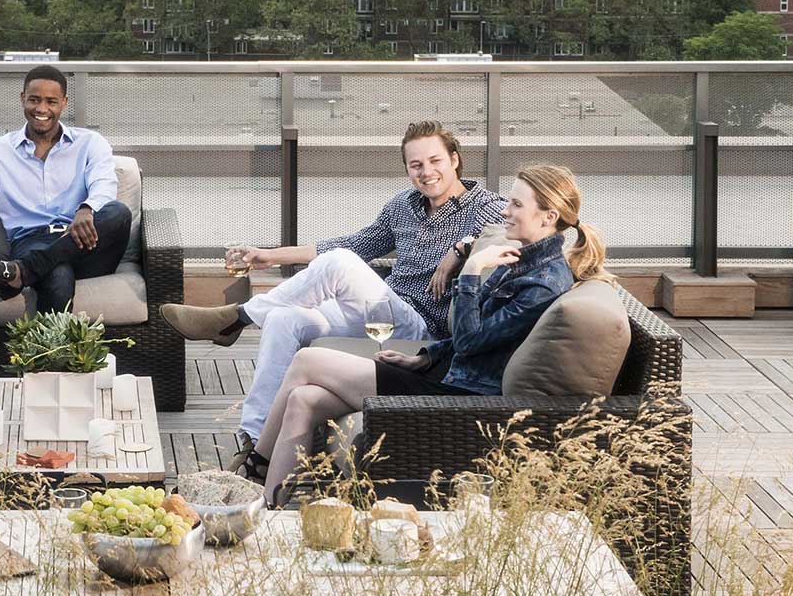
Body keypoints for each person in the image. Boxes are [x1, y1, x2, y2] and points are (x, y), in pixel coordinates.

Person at [250, 162, 609, 502]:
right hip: (442, 374)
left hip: (460, 396)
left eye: (516, 204)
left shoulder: (543, 282)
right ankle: (269, 508)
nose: (505, 211)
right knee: (303, 399)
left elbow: (470, 341)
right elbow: (476, 342)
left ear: (548, 216)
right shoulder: (522, 259)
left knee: (307, 360)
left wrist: (470, 271)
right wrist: (421, 358)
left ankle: (254, 466)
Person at [161, 121, 504, 471]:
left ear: (455, 160)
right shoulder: (403, 205)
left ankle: (234, 318)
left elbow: (516, 229)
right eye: (416, 165)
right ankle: (254, 441)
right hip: (385, 315)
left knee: (340, 264)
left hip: (424, 334)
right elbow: (353, 244)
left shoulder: (484, 206)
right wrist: (269, 256)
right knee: (284, 318)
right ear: (407, 169)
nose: (427, 172)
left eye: (435, 161)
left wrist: (462, 248)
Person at [0, 65, 132, 316]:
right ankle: (52, 355)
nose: (42, 109)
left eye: (51, 101)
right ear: (22, 99)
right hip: (31, 240)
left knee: (118, 212)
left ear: (64, 103)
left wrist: (86, 208)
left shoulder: (91, 143)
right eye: (34, 100)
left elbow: (104, 185)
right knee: (57, 274)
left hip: (88, 246)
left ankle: (23, 271)